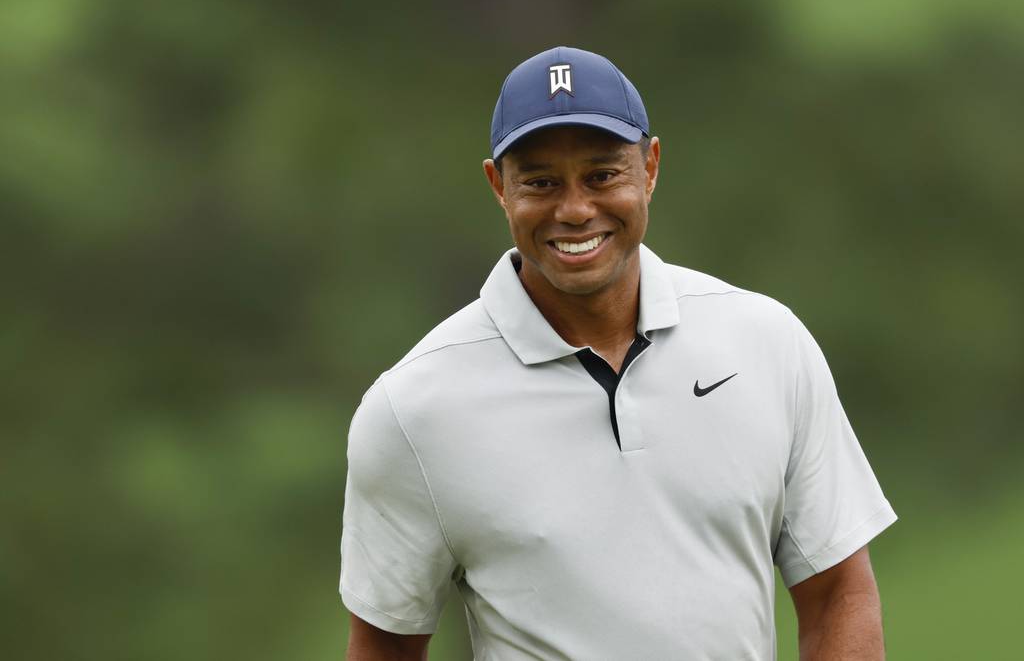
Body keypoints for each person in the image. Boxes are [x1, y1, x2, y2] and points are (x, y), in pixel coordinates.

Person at [339, 46, 897, 660]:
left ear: (650, 167)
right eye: (541, 182)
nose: (575, 210)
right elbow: (385, 646)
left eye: (603, 175)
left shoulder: (766, 341)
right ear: (498, 186)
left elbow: (838, 592)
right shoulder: (412, 409)